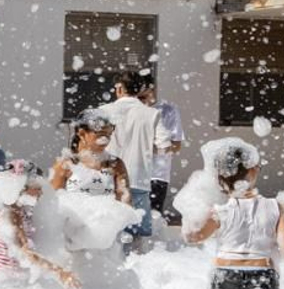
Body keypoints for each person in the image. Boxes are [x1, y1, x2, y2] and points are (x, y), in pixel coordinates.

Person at [183, 141, 284, 289]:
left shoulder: (220, 210)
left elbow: (193, 237)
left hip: (226, 278)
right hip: (262, 279)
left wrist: (190, 211)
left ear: (219, 178)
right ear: (252, 171)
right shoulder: (275, 207)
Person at [0, 161, 78, 289]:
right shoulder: (11, 216)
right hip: (2, 286)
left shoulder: (15, 211)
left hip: (1, 281)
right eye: (37, 188)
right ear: (20, 188)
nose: (41, 193)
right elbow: (26, 254)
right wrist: (60, 272)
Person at [96, 72, 172, 246]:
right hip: (139, 180)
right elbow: (165, 147)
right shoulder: (151, 114)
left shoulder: (103, 111)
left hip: (109, 180)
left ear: (120, 88)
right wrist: (142, 148)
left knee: (108, 238)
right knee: (138, 240)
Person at [50, 111, 131, 202]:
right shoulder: (66, 164)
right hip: (75, 216)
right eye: (100, 134)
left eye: (108, 135)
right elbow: (53, 202)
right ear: (82, 133)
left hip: (107, 215)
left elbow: (125, 201)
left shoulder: (115, 164)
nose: (105, 140)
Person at [144, 88, 185, 225]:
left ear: (152, 89)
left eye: (144, 93)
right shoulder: (131, 110)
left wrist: (156, 149)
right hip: (131, 174)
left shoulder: (167, 110)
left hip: (157, 174)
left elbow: (176, 145)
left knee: (152, 221)